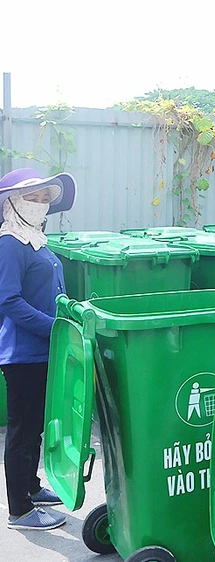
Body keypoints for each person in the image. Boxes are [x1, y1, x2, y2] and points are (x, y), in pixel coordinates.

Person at [0, 167, 77, 530]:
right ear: (13, 201)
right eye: (34, 197)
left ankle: (30, 488)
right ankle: (20, 511)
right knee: (22, 430)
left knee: (35, 428)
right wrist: (55, 328)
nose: (42, 204)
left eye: (47, 198)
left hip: (44, 350)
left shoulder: (35, 240)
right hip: (24, 354)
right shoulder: (10, 243)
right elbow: (8, 301)